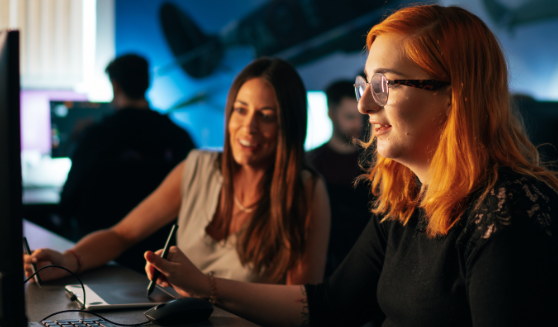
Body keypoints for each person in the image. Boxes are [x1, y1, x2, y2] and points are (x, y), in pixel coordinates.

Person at [141, 5, 558, 327]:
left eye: (385, 85)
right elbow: (329, 307)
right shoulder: (407, 198)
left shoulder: (509, 211)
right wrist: (206, 287)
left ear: (455, 94)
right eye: (365, 84)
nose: (363, 104)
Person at [25, 57, 330, 285]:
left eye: (266, 116)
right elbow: (122, 234)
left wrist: (207, 289)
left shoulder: (305, 190)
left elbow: (300, 309)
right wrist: (69, 261)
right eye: (240, 110)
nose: (248, 127)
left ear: (288, 125)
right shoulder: (196, 166)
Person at [59, 53, 195, 272]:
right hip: (163, 262)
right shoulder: (178, 136)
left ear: (115, 85)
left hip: (99, 261)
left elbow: (67, 201)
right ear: (148, 83)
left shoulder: (95, 136)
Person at [308, 79, 371, 275]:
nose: (357, 124)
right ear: (331, 113)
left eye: (361, 116)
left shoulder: (374, 163)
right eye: (349, 116)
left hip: (367, 265)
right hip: (323, 267)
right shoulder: (310, 163)